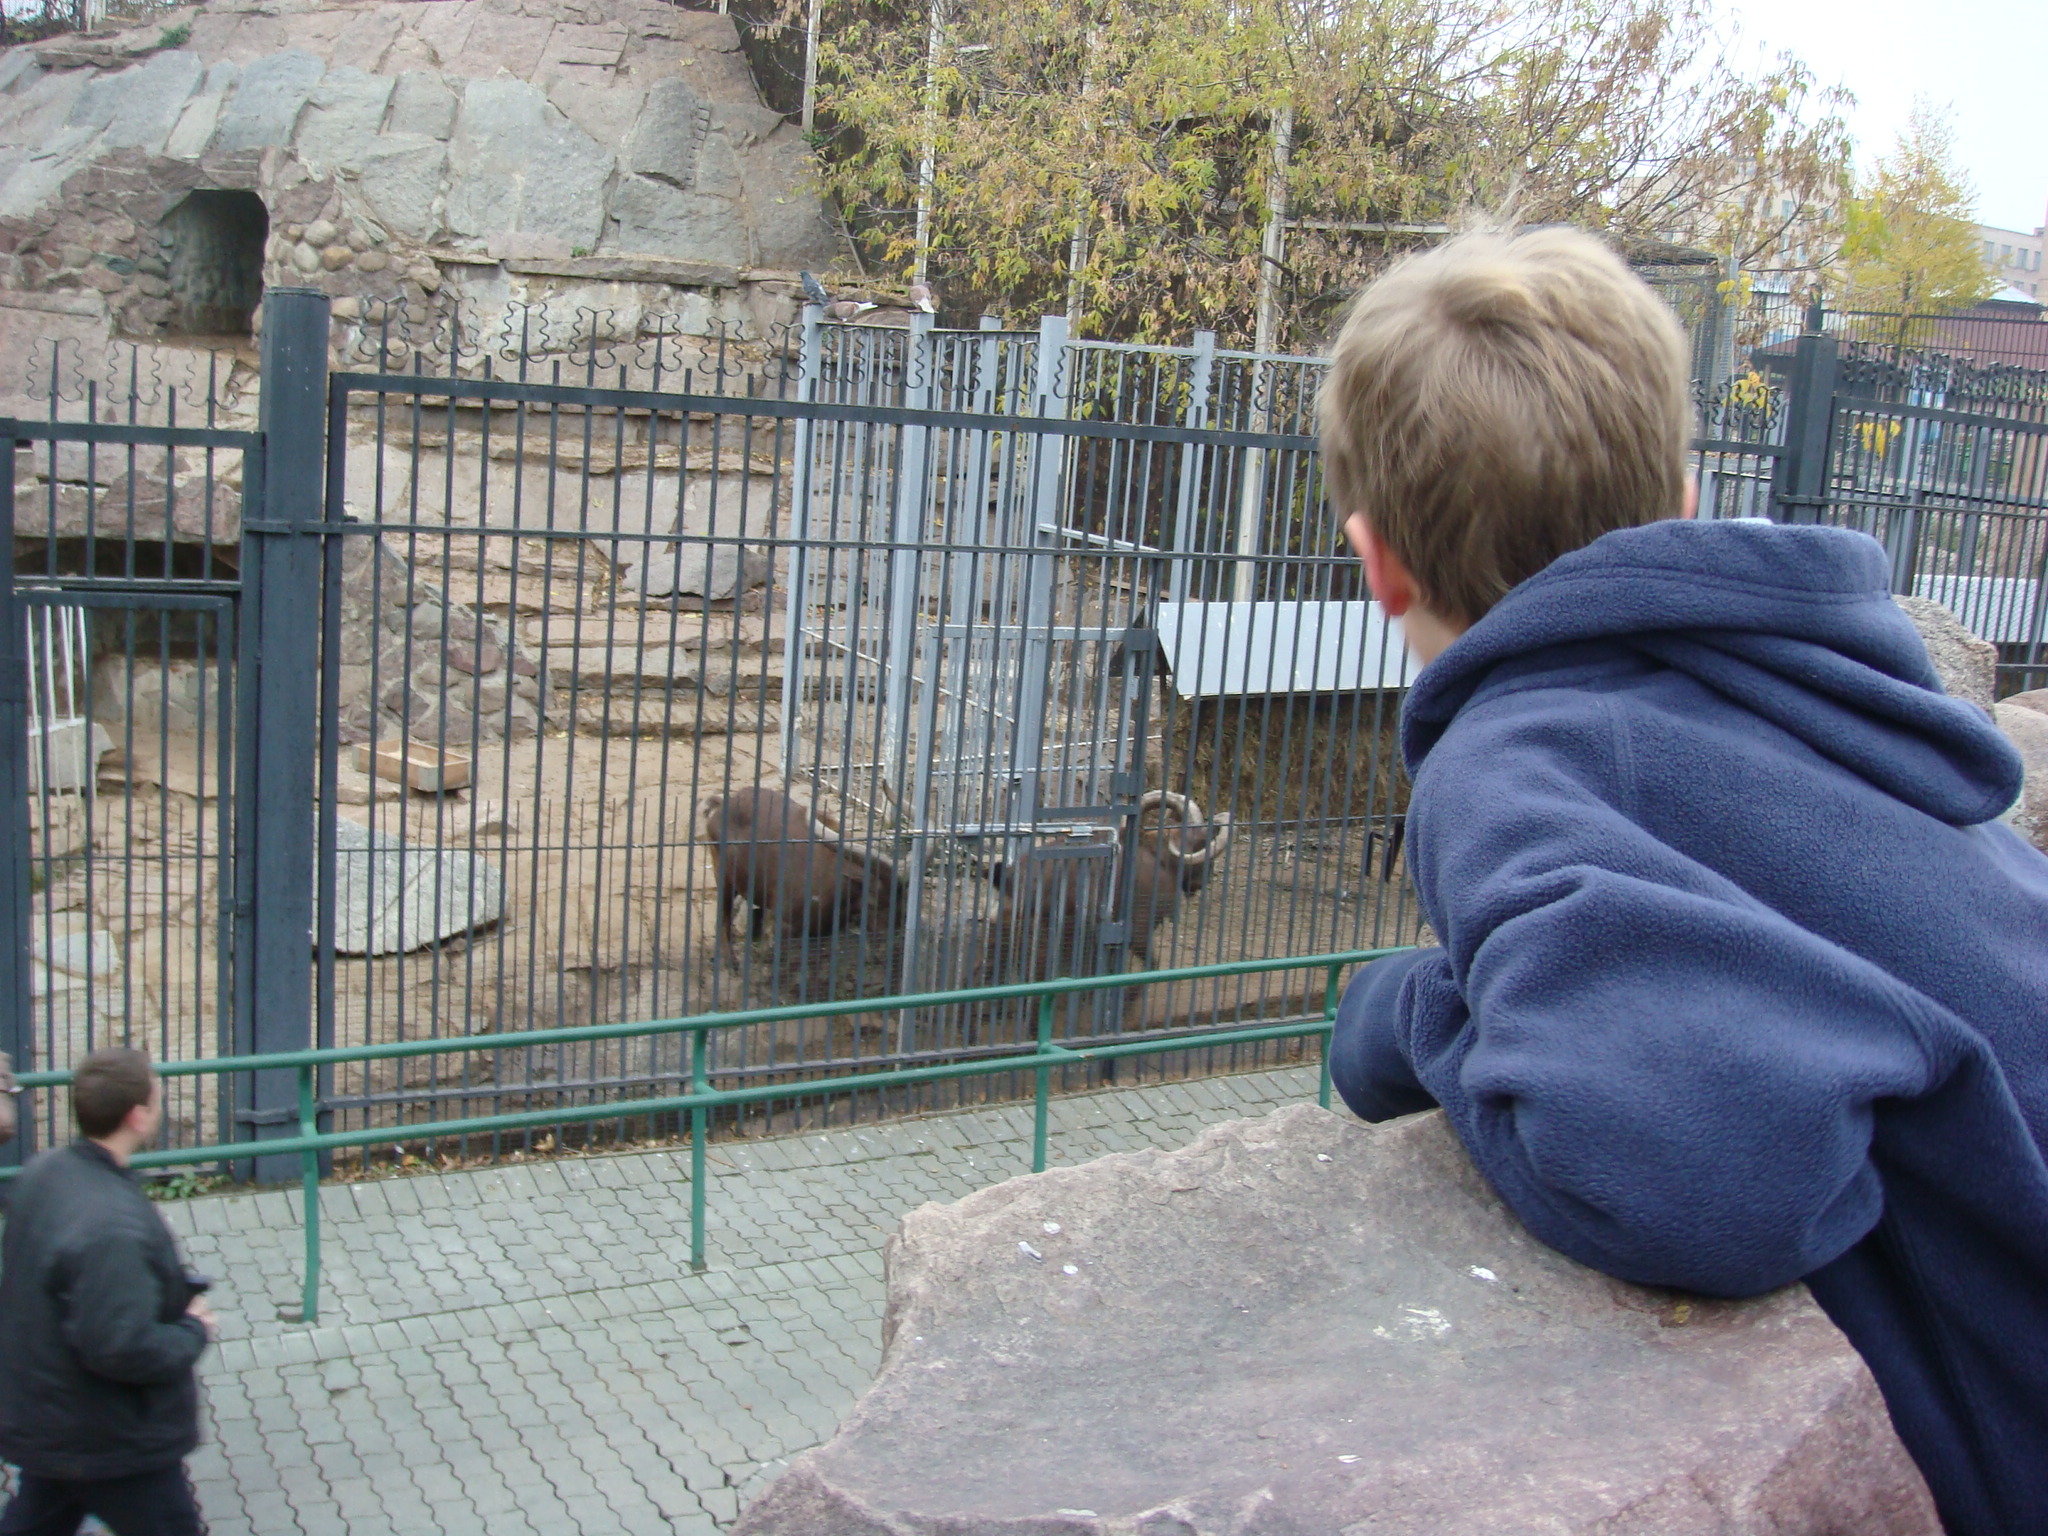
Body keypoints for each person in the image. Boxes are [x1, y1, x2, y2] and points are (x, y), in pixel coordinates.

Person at [1318, 227, 2048, 1536]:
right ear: (1689, 502)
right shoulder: (1810, 682)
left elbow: (1708, 1181)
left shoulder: (1514, 760)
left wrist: (1420, 1022)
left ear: (1379, 565)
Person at [0, 1048, 214, 1536]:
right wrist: (191, 1331)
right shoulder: (111, 1226)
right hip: (109, 1440)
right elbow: (121, 1346)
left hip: (52, 1419)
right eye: (157, 1099)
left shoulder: (42, 1173)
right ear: (138, 1116)